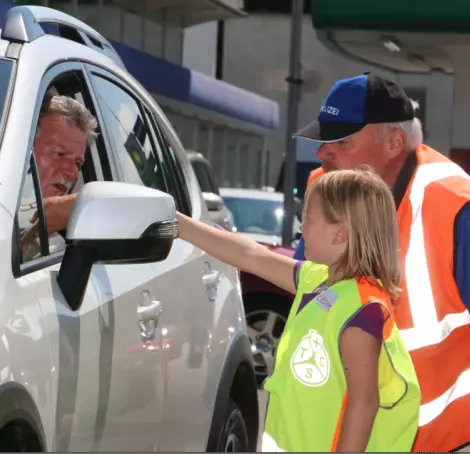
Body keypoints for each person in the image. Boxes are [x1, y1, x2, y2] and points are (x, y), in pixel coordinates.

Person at [291, 72, 470, 452]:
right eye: (323, 141)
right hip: (410, 423)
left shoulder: (455, 206)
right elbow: (306, 282)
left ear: (395, 142)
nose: (322, 154)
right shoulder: (331, 189)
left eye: (341, 142)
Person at [177, 168, 421, 452]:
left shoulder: (363, 311)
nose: (301, 227)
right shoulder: (316, 279)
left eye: (308, 218)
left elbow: (364, 403)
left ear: (340, 232)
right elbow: (250, 255)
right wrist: (180, 225)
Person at [21, 94, 98, 258]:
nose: (72, 173)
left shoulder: (61, 244)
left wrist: (87, 207)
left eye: (78, 163)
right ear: (22, 150)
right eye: (59, 154)